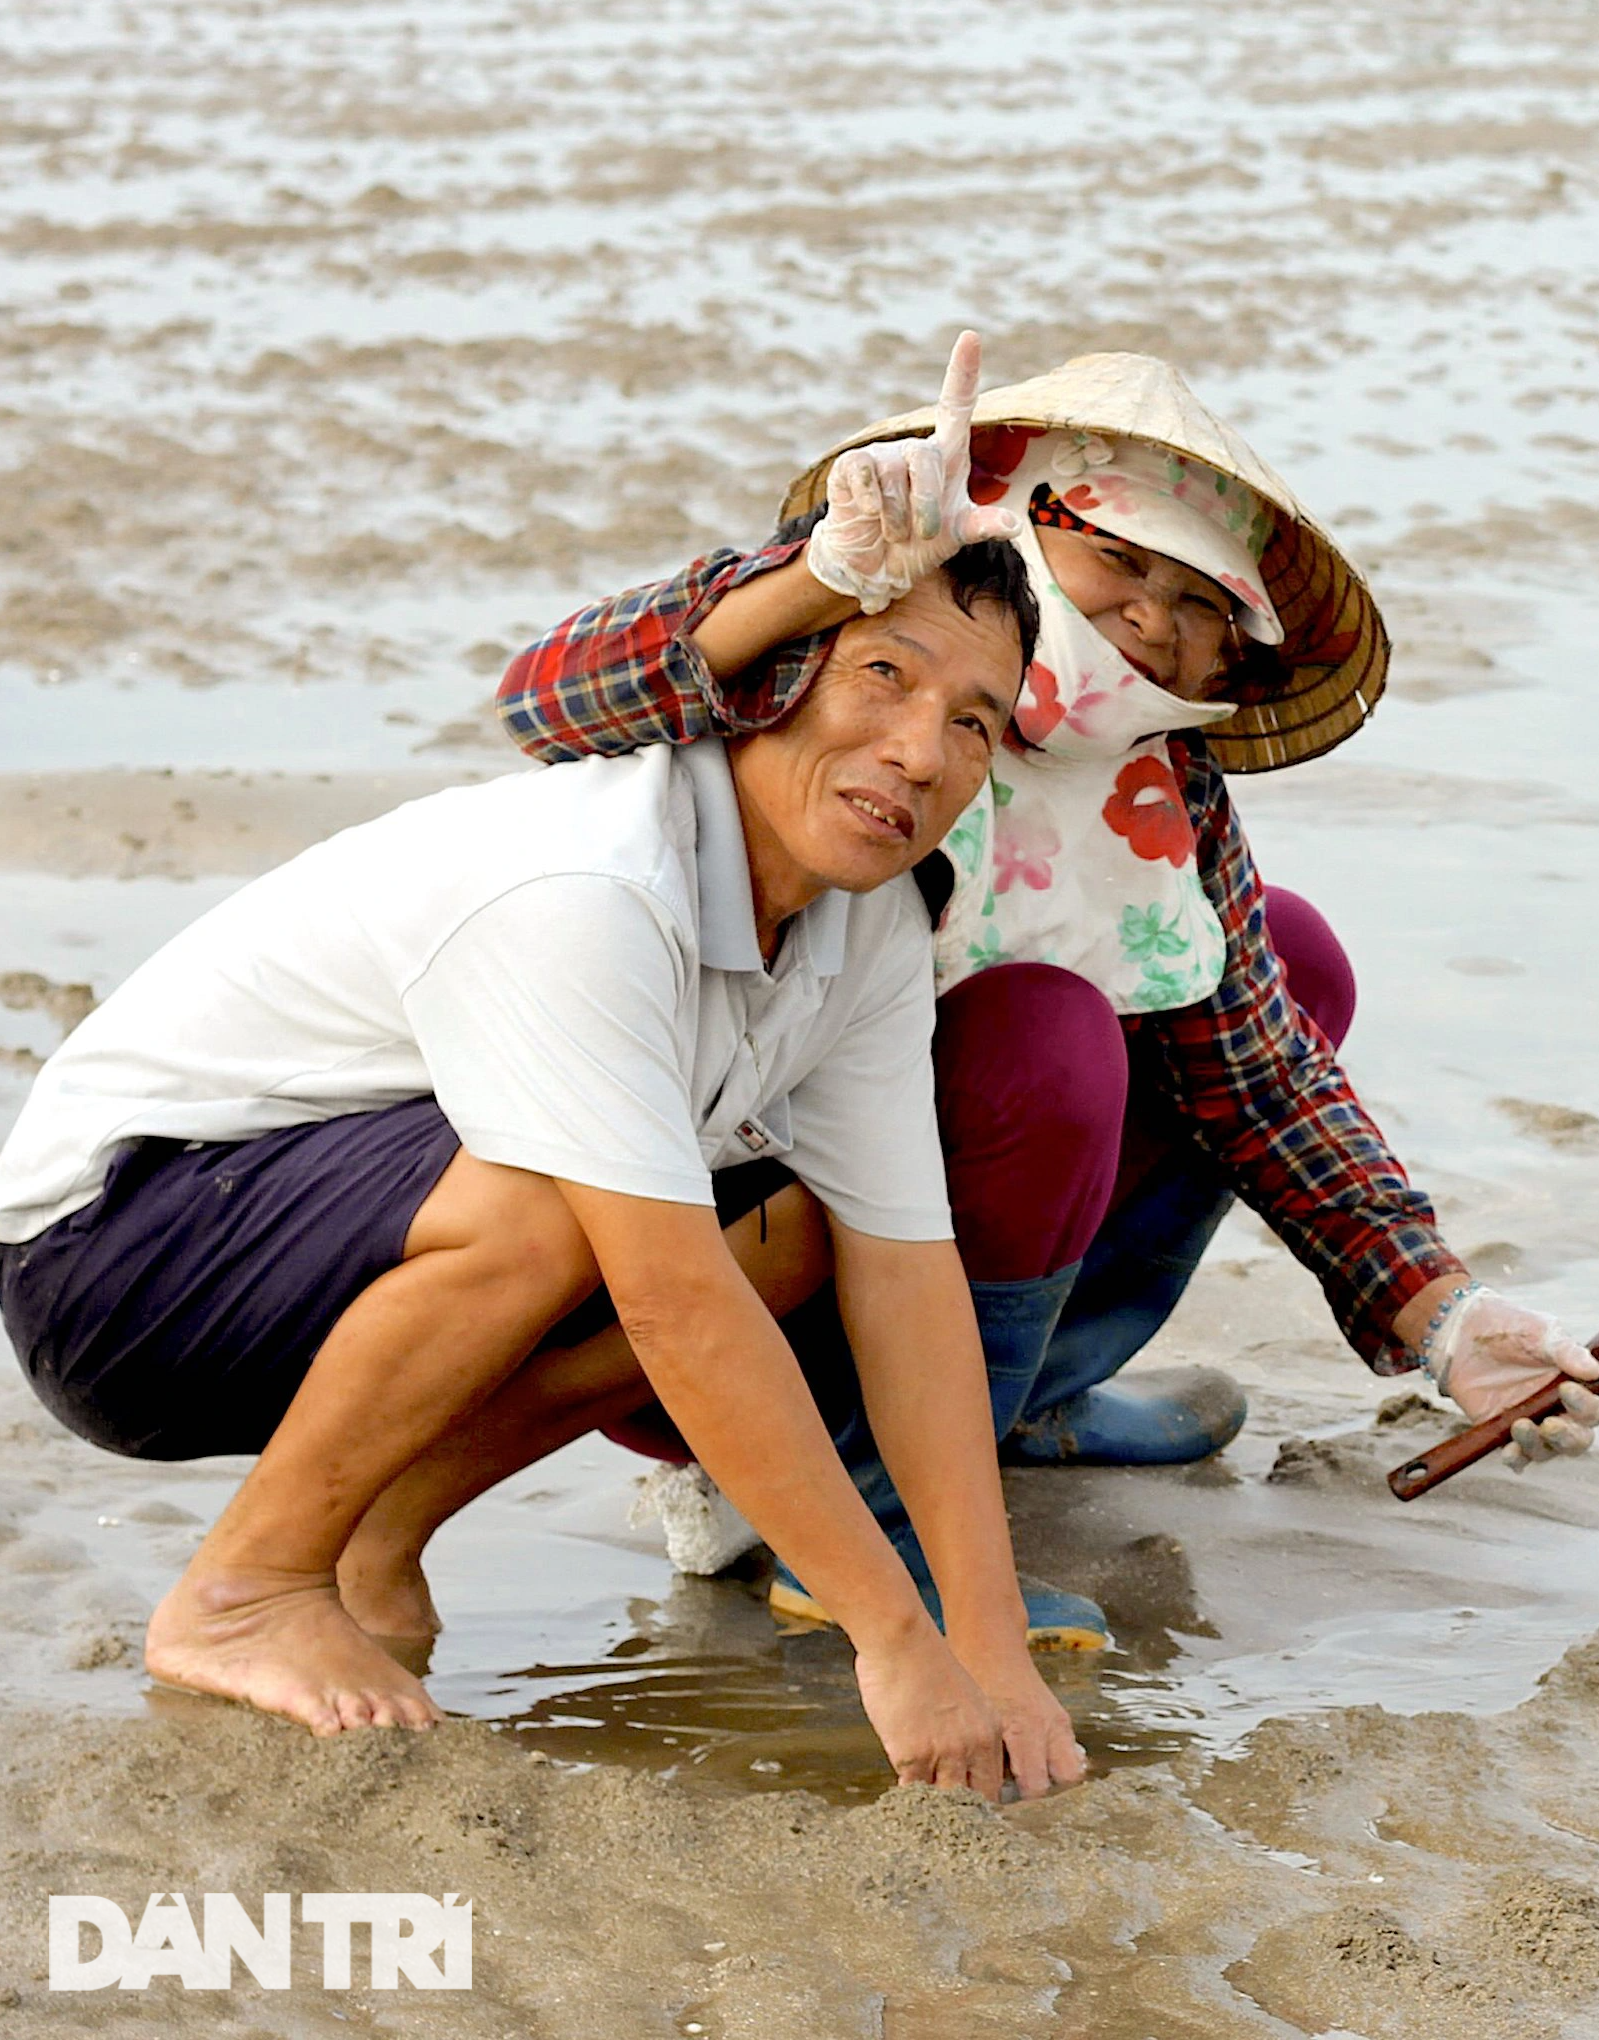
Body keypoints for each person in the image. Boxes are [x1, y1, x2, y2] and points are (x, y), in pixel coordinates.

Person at [495, 336, 1599, 1650]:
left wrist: (1441, 1316)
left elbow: (1264, 1077)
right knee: (1048, 1031)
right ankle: (857, 1498)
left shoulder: (1163, 791)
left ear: (1229, 670)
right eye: (1120, 560)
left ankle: (1007, 1407)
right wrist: (811, 579)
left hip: (919, 1240)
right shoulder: (847, 648)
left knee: (1287, 960)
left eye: (1205, 606)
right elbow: (546, 699)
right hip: (699, 1267)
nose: (1154, 616)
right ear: (1018, 531)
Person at [0, 541, 1090, 1797]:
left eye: (972, 721)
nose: (919, 751)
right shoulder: (593, 880)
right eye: (882, 676)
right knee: (565, 1205)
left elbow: (907, 1275)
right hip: (115, 1266)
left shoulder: (872, 922)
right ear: (770, 682)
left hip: (342, 1246)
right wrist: (891, 1640)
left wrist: (990, 1650)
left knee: (796, 1230)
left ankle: (374, 1534)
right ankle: (245, 1588)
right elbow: (670, 1302)